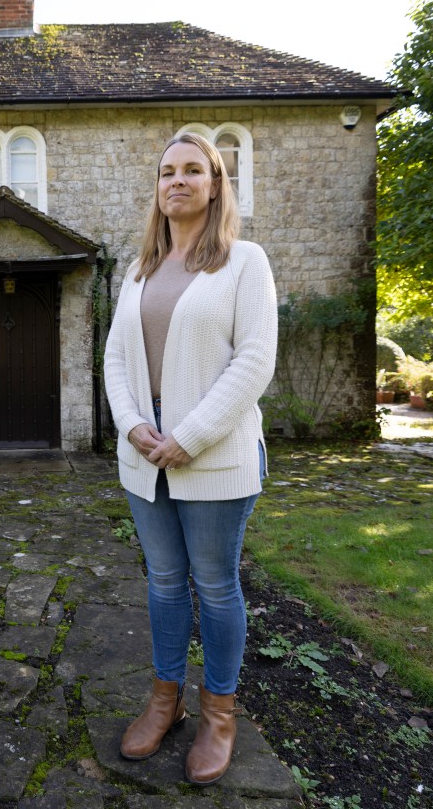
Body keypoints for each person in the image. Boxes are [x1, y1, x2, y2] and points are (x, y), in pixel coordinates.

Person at [103, 131, 278, 785]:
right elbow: (117, 360)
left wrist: (190, 434)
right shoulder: (139, 269)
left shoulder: (244, 262)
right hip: (144, 457)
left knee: (214, 584)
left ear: (214, 184)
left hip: (215, 455)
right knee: (164, 583)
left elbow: (254, 361)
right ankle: (164, 700)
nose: (177, 180)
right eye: (166, 171)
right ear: (157, 187)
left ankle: (220, 714)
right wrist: (132, 426)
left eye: (192, 170)